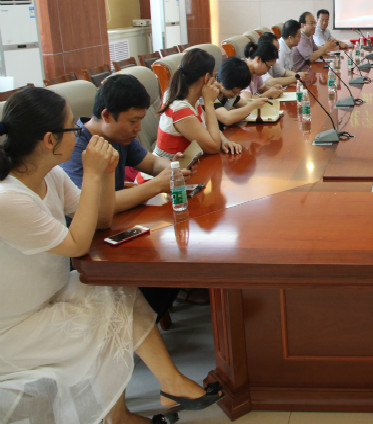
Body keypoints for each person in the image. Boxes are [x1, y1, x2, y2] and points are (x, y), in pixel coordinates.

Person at [0, 87, 220, 424]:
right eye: (72, 128)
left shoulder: (50, 175)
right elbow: (77, 244)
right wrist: (92, 173)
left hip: (52, 293)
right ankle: (124, 413)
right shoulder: (9, 198)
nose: (80, 134)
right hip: (17, 325)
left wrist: (104, 173)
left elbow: (101, 218)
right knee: (107, 313)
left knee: (118, 288)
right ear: (49, 140)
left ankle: (163, 388)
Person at [61, 74, 190, 213]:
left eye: (140, 120)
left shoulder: (119, 137)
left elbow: (152, 163)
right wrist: (156, 185)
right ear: (107, 115)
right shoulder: (75, 148)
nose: (138, 128)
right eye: (133, 121)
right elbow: (92, 207)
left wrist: (175, 170)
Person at [154, 48, 241, 160]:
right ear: (206, 78)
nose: (215, 82)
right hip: (169, 168)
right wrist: (209, 102)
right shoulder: (179, 108)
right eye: (213, 77)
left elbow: (208, 126)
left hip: (187, 164)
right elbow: (213, 147)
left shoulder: (188, 97)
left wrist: (224, 140)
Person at [214, 56, 270, 127]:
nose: (234, 95)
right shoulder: (211, 94)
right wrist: (252, 106)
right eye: (234, 92)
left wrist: (258, 103)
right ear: (224, 82)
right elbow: (227, 118)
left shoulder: (228, 92)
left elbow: (244, 104)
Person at [241, 36, 284, 100]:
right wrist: (267, 94)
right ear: (258, 60)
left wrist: (272, 89)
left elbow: (261, 89)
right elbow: (247, 100)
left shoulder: (256, 72)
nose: (268, 71)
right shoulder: (242, 71)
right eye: (268, 67)